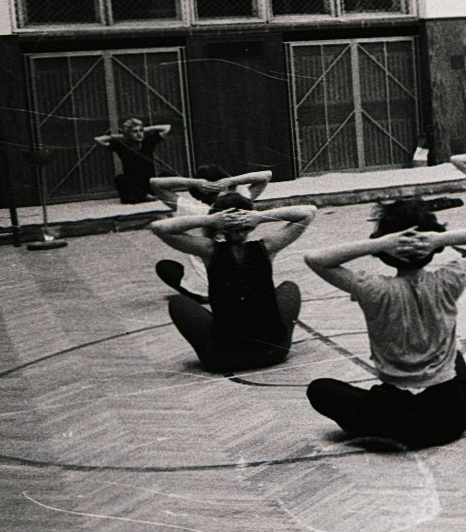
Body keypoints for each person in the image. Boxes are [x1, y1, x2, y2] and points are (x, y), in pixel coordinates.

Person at [303, 199, 466, 449]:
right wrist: (438, 239)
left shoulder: (373, 288)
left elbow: (314, 258)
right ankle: (414, 424)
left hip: (393, 412)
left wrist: (380, 243)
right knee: (455, 357)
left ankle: (385, 430)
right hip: (450, 417)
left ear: (386, 254)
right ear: (431, 250)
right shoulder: (449, 280)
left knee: (321, 389)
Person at [148, 194, 316, 373]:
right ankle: (269, 337)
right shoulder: (267, 247)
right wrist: (259, 217)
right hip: (273, 352)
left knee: (178, 302)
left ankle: (225, 342)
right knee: (289, 287)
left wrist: (210, 220)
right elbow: (308, 212)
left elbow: (158, 227)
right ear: (250, 227)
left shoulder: (209, 250)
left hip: (223, 359)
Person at [149, 165, 273, 300]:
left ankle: (197, 291)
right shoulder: (239, 203)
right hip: (239, 284)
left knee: (165, 267)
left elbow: (155, 183)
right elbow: (266, 175)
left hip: (205, 288)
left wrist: (194, 183)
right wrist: (231, 180)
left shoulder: (191, 209)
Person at [93, 118, 173, 204]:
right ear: (128, 134)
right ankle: (143, 196)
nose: (139, 134)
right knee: (120, 179)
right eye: (135, 132)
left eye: (140, 131)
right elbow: (98, 139)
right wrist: (122, 136)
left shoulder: (148, 142)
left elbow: (167, 127)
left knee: (167, 175)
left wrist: (145, 129)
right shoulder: (122, 147)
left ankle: (145, 196)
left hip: (149, 183)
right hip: (134, 184)